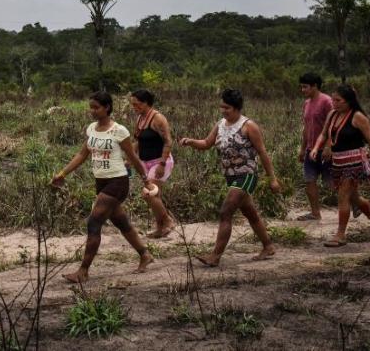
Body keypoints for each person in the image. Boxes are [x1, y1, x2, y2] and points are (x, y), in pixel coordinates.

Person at [51, 91, 154, 283]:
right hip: (101, 182)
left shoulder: (119, 131)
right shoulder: (91, 129)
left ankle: (83, 271)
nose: (92, 111)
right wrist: (62, 173)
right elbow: (82, 155)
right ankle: (145, 254)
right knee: (121, 222)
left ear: (107, 107)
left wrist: (145, 179)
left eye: (96, 107)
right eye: (90, 107)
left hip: (117, 182)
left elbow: (132, 157)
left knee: (94, 222)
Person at [179, 89, 281, 267]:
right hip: (230, 176)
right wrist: (190, 141)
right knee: (250, 214)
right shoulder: (220, 124)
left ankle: (215, 256)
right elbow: (206, 143)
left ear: (237, 108)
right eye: (222, 106)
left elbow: (263, 153)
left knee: (225, 212)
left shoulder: (249, 126)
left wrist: (272, 178)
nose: (223, 110)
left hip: (246, 175)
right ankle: (268, 246)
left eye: (227, 107)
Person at [309, 85, 370, 246]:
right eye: (333, 100)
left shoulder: (358, 117)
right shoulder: (332, 115)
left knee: (343, 196)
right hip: (338, 161)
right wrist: (316, 148)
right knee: (354, 197)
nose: (334, 103)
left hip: (354, 161)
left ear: (349, 101)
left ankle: (340, 234)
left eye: (338, 100)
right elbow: (324, 134)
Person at [129, 89, 176, 237]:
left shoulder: (158, 118)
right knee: (156, 197)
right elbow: (137, 141)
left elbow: (168, 141)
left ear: (146, 103)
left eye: (137, 105)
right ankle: (160, 228)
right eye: (133, 105)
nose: (134, 107)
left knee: (149, 194)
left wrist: (162, 164)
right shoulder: (140, 119)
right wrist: (130, 158)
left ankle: (168, 221)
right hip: (145, 161)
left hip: (160, 161)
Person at [298, 73, 333, 220]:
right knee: (309, 180)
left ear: (315, 86)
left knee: (332, 183)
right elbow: (306, 127)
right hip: (310, 150)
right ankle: (315, 213)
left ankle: (357, 203)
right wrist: (302, 148)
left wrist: (329, 146)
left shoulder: (327, 101)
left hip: (325, 149)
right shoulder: (306, 103)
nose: (303, 90)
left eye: (305, 87)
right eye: (301, 87)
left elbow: (333, 124)